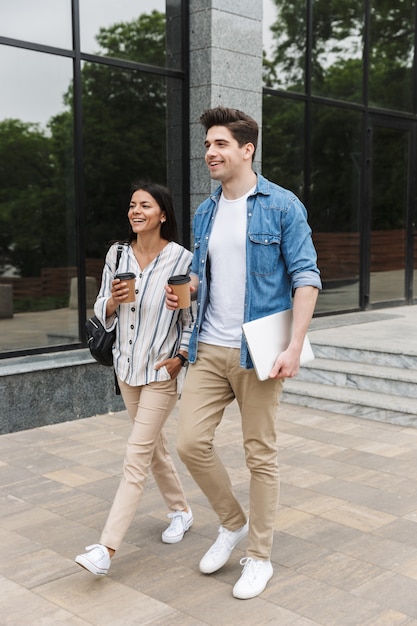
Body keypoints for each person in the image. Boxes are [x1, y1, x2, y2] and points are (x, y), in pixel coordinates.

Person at [165, 106, 321, 599]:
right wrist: (187, 285)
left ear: (246, 149)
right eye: (207, 144)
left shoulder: (282, 205)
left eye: (220, 145)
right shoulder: (206, 210)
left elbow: (306, 277)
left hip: (261, 346)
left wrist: (294, 346)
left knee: (261, 456)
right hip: (209, 345)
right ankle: (231, 523)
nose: (209, 153)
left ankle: (259, 556)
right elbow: (205, 274)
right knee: (190, 443)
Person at [75, 181, 194, 576]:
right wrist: (111, 301)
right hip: (126, 368)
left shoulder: (181, 260)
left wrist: (180, 357)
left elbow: (192, 319)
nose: (136, 211)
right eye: (132, 205)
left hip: (160, 372)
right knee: (153, 447)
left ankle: (105, 549)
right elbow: (100, 306)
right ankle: (181, 510)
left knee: (136, 455)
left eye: (145, 205)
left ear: (163, 214)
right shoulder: (117, 253)